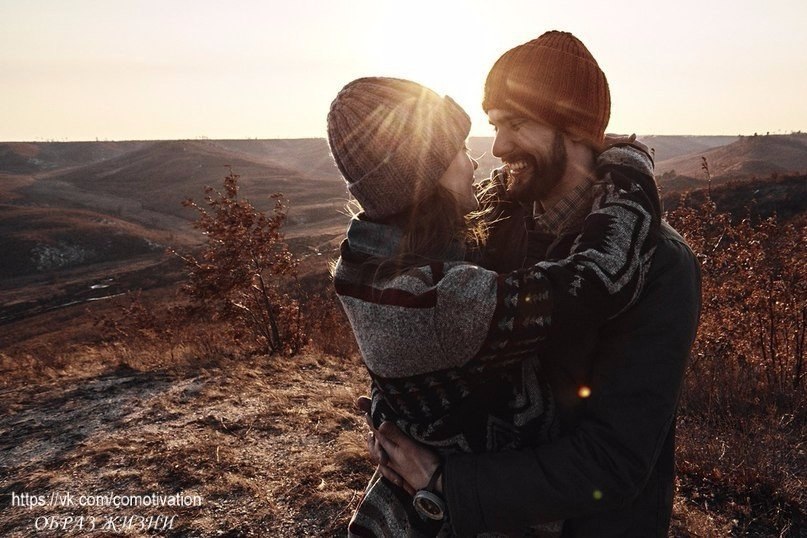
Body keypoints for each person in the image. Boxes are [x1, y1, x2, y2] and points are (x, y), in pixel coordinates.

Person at [360, 31, 702, 537]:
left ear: (578, 130)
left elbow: (615, 460)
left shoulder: (658, 265)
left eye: (517, 123)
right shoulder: (490, 227)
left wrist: (445, 480)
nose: (498, 146)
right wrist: (402, 417)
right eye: (495, 124)